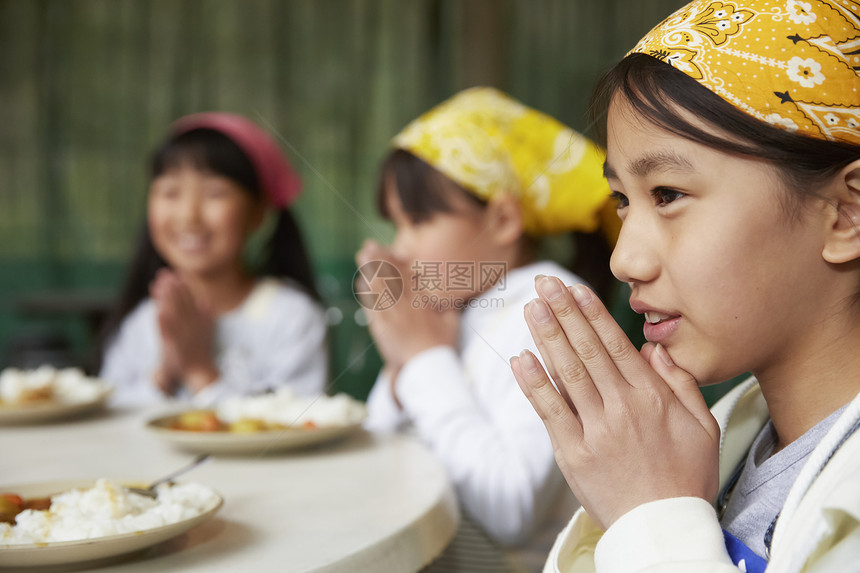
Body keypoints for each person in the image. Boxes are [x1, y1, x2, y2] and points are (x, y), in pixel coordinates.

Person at [509, 1, 860, 571]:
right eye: (623, 201)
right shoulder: (716, 437)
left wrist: (653, 515)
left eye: (667, 194)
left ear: (846, 214)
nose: (625, 260)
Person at [357, 87, 616, 571]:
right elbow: (377, 443)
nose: (402, 247)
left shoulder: (546, 307)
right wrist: (400, 366)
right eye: (395, 225)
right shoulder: (457, 306)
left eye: (418, 221)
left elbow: (512, 508)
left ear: (501, 219)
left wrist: (422, 360)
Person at [100, 112, 328, 407]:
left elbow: (297, 425)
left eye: (214, 193)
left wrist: (199, 370)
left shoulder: (290, 318)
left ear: (257, 212)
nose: (188, 215)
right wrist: (165, 374)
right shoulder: (143, 321)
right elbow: (108, 429)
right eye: (170, 193)